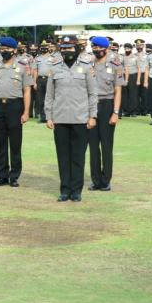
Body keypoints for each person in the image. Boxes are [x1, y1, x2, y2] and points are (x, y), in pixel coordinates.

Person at [45, 35, 98, 202]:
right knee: (63, 157)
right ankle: (64, 190)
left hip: (80, 119)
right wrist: (48, 116)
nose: (66, 51)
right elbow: (49, 94)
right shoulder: (54, 68)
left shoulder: (86, 67)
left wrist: (92, 116)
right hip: (60, 119)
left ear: (77, 48)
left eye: (69, 47)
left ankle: (76, 191)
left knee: (78, 157)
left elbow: (92, 93)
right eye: (63, 47)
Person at [0, 37, 33, 188]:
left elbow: (27, 90)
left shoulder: (23, 66)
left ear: (14, 50)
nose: (4, 51)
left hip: (15, 106)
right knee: (0, 142)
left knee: (15, 143)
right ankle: (2, 175)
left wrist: (26, 111)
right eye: (2, 49)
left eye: (7, 49)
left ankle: (14, 176)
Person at [86, 37, 124, 192]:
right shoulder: (89, 63)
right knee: (93, 146)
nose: (95, 50)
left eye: (98, 48)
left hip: (107, 105)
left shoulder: (115, 63)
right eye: (93, 48)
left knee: (106, 146)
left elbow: (118, 90)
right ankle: (96, 180)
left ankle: (106, 180)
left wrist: (115, 112)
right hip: (91, 105)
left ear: (106, 48)